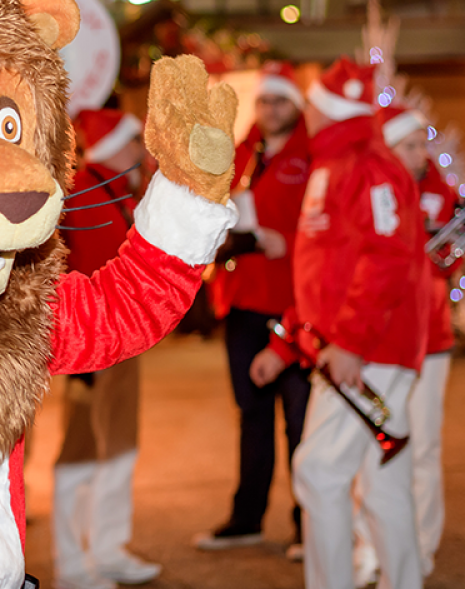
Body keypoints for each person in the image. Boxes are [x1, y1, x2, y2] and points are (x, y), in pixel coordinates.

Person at [250, 57, 427, 589]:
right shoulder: (335, 164)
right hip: (354, 346)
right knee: (381, 485)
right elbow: (321, 276)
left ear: (326, 110)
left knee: (319, 471)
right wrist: (287, 347)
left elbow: (387, 259)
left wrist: (349, 340)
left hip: (368, 348)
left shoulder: (367, 167)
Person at [193, 61, 311, 559]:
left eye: (279, 101)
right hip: (242, 299)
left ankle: (310, 525)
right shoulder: (245, 152)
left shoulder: (313, 157)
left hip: (294, 303)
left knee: (302, 421)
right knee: (252, 416)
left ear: (296, 106)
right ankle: (247, 518)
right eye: (264, 102)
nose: (269, 110)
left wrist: (285, 240)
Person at [351, 103, 459, 585]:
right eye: (410, 145)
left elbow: (448, 263)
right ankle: (370, 547)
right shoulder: (367, 188)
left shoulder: (442, 193)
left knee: (422, 447)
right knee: (368, 446)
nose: (421, 155)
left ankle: (422, 546)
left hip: (429, 340)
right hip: (378, 339)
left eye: (422, 144)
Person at [53, 108, 160, 589]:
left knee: (118, 447)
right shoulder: (90, 194)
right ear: (119, 143)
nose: (142, 151)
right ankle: (76, 565)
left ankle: (108, 548)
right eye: (136, 140)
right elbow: (94, 275)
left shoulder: (111, 189)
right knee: (82, 452)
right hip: (94, 347)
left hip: (116, 345)